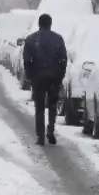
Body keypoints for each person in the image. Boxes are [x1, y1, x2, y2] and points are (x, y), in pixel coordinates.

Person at [23, 13, 67, 145]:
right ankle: (51, 130)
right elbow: (63, 59)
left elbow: (27, 60)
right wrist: (60, 75)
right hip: (54, 77)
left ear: (39, 24)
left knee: (40, 107)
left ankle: (40, 135)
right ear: (50, 24)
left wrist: (30, 76)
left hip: (38, 77)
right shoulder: (58, 39)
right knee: (52, 106)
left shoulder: (31, 40)